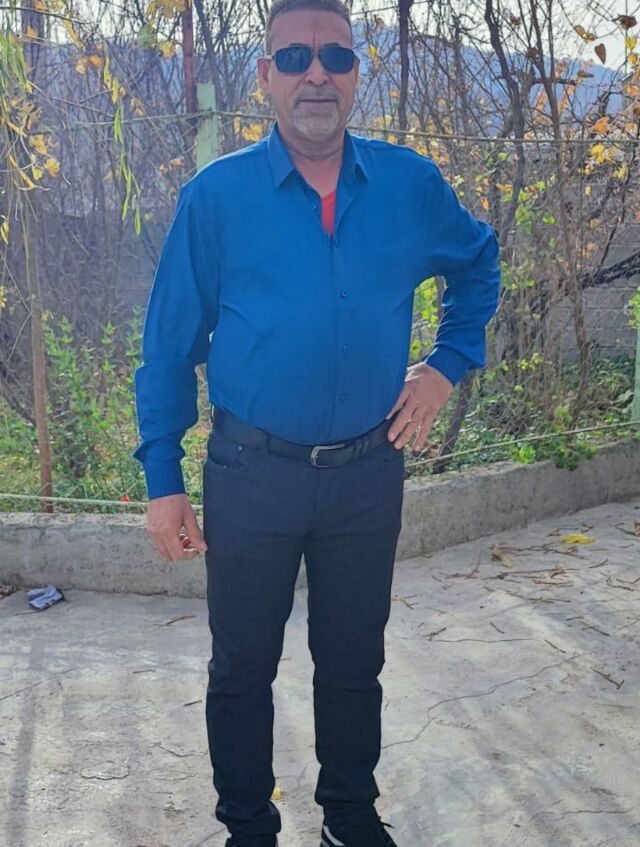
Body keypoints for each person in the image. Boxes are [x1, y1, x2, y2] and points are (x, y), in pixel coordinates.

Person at [132, 1, 501, 844]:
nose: (316, 75)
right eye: (294, 58)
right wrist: (162, 479)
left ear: (356, 74)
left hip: (367, 471)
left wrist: (446, 364)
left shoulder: (408, 186)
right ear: (265, 76)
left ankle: (348, 814)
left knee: (353, 659)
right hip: (251, 474)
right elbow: (167, 346)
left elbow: (478, 262)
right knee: (240, 667)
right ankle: (248, 826)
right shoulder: (216, 198)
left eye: (335, 56)